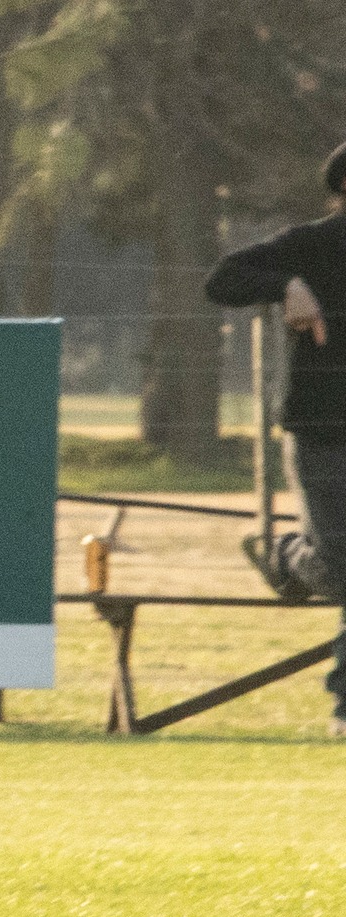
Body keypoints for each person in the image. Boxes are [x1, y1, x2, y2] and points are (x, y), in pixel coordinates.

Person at [207, 140, 346, 738]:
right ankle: (287, 555)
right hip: (322, 434)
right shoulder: (310, 245)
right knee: (340, 563)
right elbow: (223, 278)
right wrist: (286, 282)